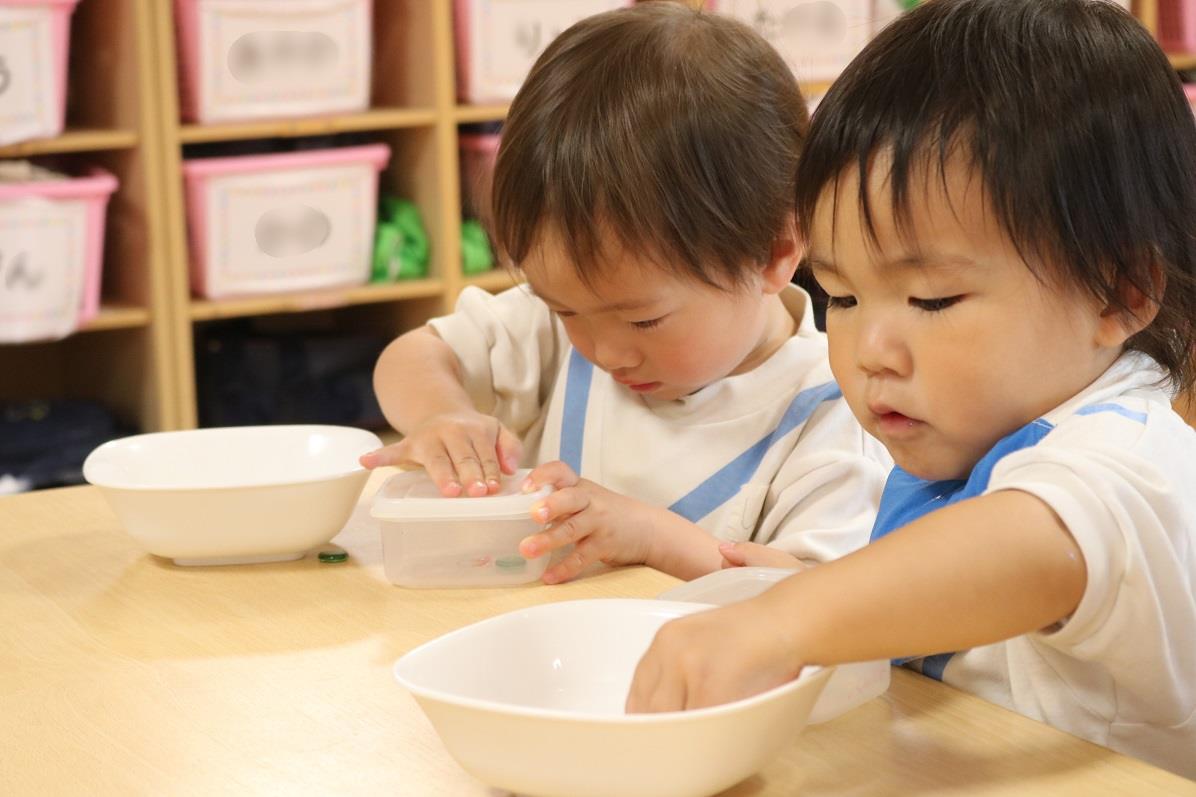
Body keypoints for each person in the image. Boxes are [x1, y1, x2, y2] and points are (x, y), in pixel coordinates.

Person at [627, 0, 1196, 777]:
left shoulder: (1129, 459)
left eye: (931, 299)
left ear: (1118, 292)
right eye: (842, 297)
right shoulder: (972, 433)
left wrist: (788, 618)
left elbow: (1032, 546)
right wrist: (819, 600)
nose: (870, 352)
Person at [360, 2, 889, 584]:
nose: (604, 352)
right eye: (565, 309)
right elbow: (413, 355)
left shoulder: (833, 418)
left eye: (643, 321)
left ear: (771, 253)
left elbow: (819, 597)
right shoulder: (563, 332)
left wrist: (655, 539)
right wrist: (443, 414)